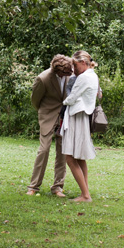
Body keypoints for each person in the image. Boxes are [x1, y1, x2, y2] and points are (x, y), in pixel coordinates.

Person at [27, 54, 73, 197]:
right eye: (65, 73)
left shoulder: (69, 74)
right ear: (56, 71)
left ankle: (58, 187)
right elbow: (35, 100)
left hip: (64, 115)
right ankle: (34, 186)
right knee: (44, 149)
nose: (69, 74)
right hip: (47, 115)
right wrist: (44, 113)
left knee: (62, 151)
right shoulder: (43, 78)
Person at [61, 50, 99, 202]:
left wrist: (62, 103)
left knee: (70, 157)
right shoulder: (93, 75)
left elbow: (71, 98)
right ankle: (85, 191)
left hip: (76, 116)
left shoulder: (84, 77)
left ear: (83, 63)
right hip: (81, 116)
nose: (74, 70)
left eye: (75, 66)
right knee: (80, 157)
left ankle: (85, 195)